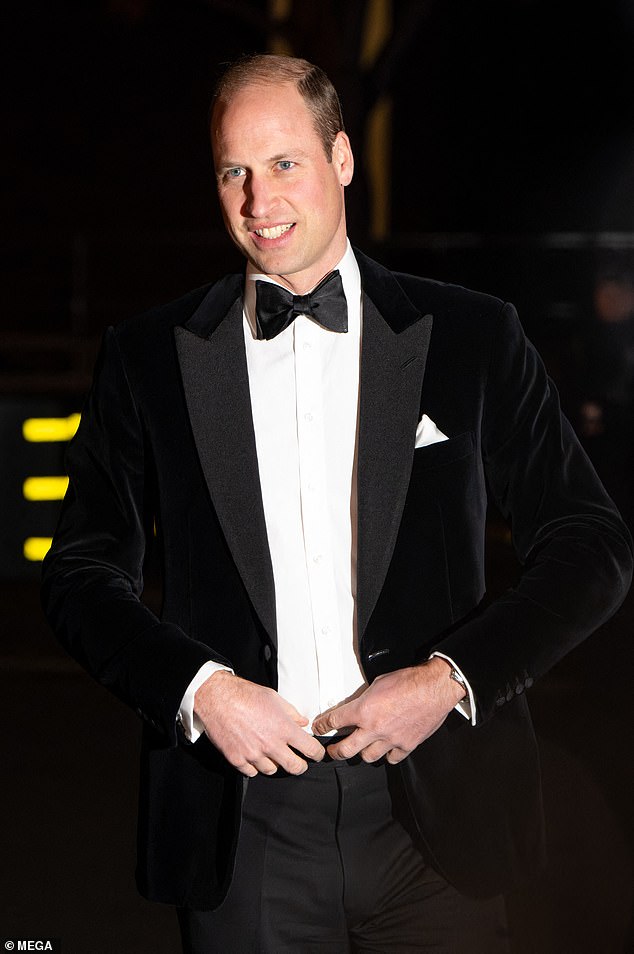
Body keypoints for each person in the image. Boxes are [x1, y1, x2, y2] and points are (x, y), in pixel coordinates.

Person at [41, 53, 632, 953]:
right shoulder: (148, 357)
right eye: (233, 171)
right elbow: (80, 574)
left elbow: (593, 546)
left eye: (285, 164)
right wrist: (202, 692)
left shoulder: (472, 334)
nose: (257, 200)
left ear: (343, 159)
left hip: (439, 820)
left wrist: (449, 680)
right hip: (245, 826)